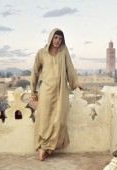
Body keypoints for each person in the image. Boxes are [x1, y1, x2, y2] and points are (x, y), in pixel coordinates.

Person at [30, 28, 83, 161]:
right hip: (46, 92)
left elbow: (69, 68)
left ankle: (50, 148)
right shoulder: (41, 53)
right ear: (50, 38)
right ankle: (42, 148)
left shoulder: (64, 52)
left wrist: (76, 83)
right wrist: (33, 91)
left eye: (60, 38)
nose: (57, 41)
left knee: (58, 120)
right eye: (55, 38)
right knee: (45, 118)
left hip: (61, 92)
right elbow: (35, 72)